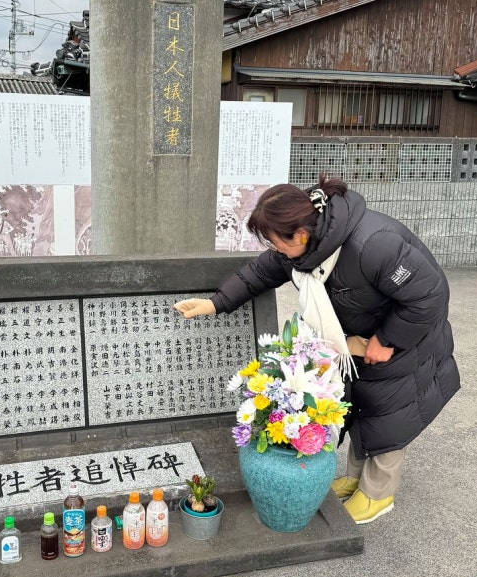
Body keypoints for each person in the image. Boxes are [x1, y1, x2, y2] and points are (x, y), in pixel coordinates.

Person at [174, 177, 460, 524]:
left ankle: (377, 493)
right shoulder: (308, 247)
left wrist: (388, 340)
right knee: (362, 407)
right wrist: (215, 303)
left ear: (300, 234)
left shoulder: (373, 244)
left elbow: (429, 295)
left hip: (406, 340)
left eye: (276, 242)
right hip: (357, 342)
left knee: (390, 414)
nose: (275, 250)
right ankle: (355, 479)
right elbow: (259, 273)